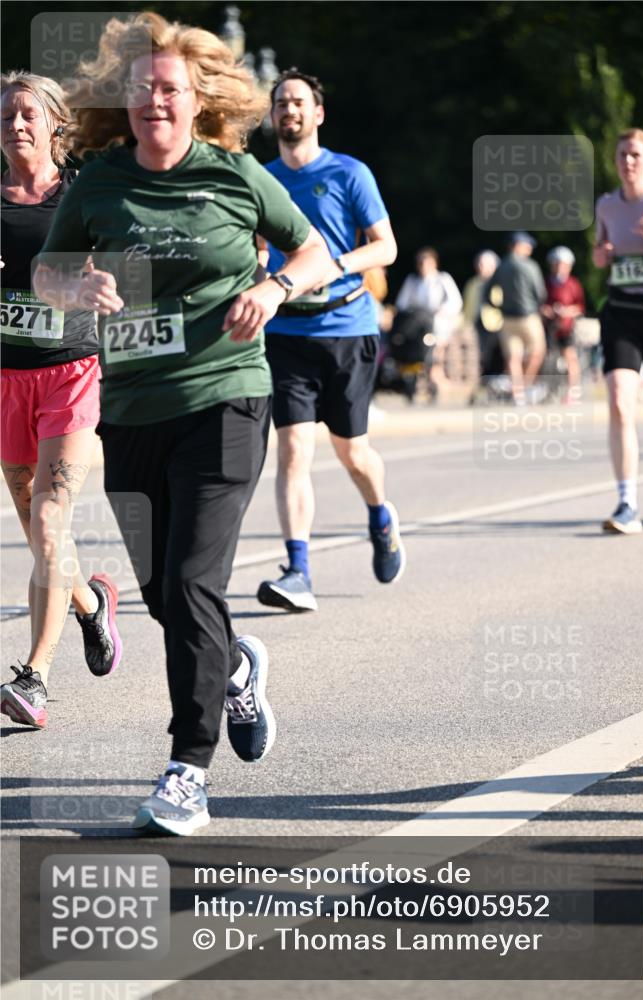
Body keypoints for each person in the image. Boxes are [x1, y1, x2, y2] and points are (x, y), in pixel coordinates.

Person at [34, 14, 331, 835]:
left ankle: (186, 769)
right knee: (167, 594)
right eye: (140, 92)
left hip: (226, 398)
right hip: (131, 411)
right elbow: (49, 268)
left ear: (197, 101)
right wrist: (74, 290)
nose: (153, 102)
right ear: (124, 105)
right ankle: (234, 665)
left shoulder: (235, 175)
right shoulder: (97, 185)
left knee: (194, 584)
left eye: (168, 90)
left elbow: (314, 254)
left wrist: (273, 291)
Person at [256, 69, 405, 613]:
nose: (289, 110)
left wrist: (333, 267)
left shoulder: (350, 173)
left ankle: (381, 514)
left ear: (318, 114)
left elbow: (385, 248)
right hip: (286, 332)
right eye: (280, 104)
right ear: (272, 118)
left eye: (298, 102)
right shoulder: (261, 179)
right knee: (293, 449)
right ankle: (298, 569)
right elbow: (254, 251)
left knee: (353, 453)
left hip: (347, 328)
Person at [0, 71, 122, 732]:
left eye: (27, 114)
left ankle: (35, 676)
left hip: (70, 374)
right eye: (6, 117)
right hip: (5, 381)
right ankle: (88, 603)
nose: (15, 125)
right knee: (35, 521)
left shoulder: (82, 197)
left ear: (54, 125)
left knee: (49, 521)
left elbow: (128, 270)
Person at [593, 128, 643, 533]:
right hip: (621, 310)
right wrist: (600, 256)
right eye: (622, 154)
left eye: (636, 155)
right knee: (621, 402)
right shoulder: (605, 205)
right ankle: (627, 503)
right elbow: (600, 252)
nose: (628, 162)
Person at [488, 231, 547, 404]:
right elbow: (540, 293)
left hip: (507, 318)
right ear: (519, 246)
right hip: (528, 317)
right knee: (537, 352)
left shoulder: (502, 265)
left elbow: (488, 292)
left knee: (513, 358)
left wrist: (497, 307)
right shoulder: (530, 266)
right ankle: (527, 387)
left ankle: (517, 394)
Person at [395, 246, 463, 393]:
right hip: (418, 326)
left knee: (435, 352)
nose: (423, 267)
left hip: (438, 324)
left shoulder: (443, 279)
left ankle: (435, 380)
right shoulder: (412, 281)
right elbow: (402, 304)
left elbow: (455, 302)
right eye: (420, 263)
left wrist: (441, 311)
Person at [542, 246, 585, 403]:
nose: (561, 268)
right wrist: (547, 311)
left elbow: (580, 307)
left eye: (564, 265)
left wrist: (566, 312)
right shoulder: (547, 283)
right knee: (547, 358)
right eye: (557, 264)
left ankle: (573, 391)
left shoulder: (573, 284)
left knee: (570, 358)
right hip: (550, 327)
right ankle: (547, 389)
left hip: (567, 328)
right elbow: (541, 304)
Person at [461, 249, 500, 386]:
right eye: (479, 264)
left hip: (495, 324)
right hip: (476, 323)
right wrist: (464, 324)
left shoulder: (500, 282)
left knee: (493, 355)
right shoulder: (473, 283)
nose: (480, 267)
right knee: (479, 355)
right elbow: (467, 306)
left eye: (484, 264)